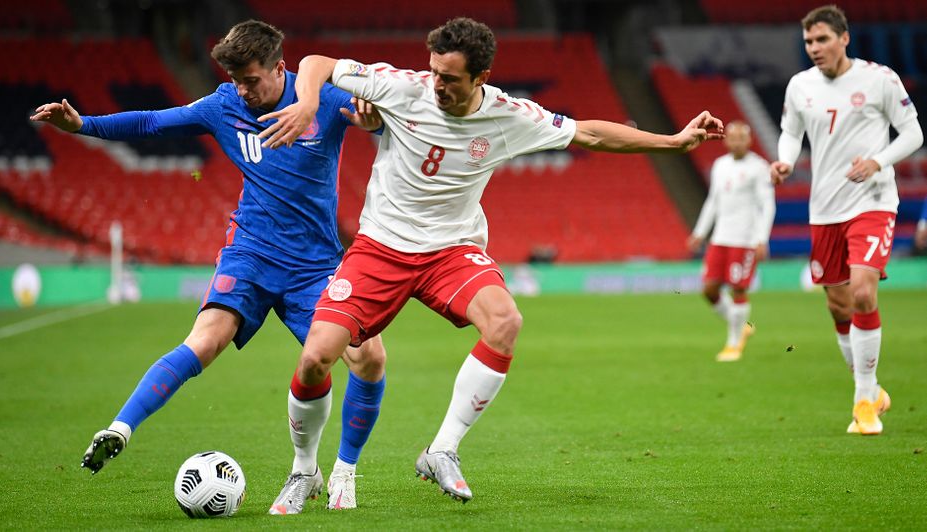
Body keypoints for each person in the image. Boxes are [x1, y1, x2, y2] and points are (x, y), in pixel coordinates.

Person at [254, 17, 723, 504]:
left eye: (450, 78)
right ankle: (304, 470)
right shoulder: (403, 87)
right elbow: (317, 63)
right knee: (314, 359)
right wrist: (307, 100)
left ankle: (443, 449)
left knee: (505, 321)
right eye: (435, 71)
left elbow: (591, 135)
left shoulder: (508, 115)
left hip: (451, 251)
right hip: (380, 248)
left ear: (481, 77)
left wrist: (673, 141)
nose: (437, 84)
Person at [30, 20, 388, 512]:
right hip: (250, 254)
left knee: (368, 358)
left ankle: (344, 469)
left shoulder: (323, 101)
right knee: (203, 340)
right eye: (236, 80)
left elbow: (389, 117)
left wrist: (376, 120)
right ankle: (121, 427)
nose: (243, 90)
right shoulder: (225, 106)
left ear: (280, 68)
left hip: (315, 265)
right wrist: (83, 125)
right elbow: (153, 122)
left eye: (251, 80)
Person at [769, 6, 923, 435]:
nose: (814, 49)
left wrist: (878, 161)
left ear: (844, 38)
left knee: (861, 292)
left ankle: (863, 403)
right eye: (808, 42)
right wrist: (784, 162)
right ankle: (872, 390)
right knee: (837, 304)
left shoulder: (880, 79)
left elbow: (913, 133)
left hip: (872, 200)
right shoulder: (800, 86)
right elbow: (790, 133)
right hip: (825, 208)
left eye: (821, 40)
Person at [687, 121, 775, 362]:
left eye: (741, 138)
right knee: (709, 289)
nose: (736, 142)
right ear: (726, 141)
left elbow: (766, 204)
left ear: (749, 141)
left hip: (744, 239)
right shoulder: (720, 165)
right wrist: (700, 232)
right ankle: (741, 326)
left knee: (738, 288)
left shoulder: (758, 167)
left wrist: (761, 238)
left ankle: (734, 343)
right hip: (720, 238)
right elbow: (713, 201)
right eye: (732, 138)